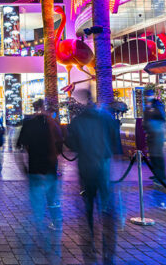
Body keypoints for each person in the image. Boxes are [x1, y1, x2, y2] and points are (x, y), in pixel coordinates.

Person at [65, 90, 121, 265]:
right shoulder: (106, 117)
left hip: (86, 166)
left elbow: (71, 143)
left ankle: (90, 241)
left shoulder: (77, 121)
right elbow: (115, 140)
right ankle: (108, 250)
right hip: (103, 165)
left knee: (88, 204)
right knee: (106, 205)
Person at [16, 99, 63, 260]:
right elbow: (61, 145)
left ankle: (40, 228)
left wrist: (22, 166)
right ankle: (55, 225)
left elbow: (20, 147)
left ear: (34, 108)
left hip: (35, 167)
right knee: (52, 198)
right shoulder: (53, 123)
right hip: (50, 167)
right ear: (43, 108)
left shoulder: (29, 124)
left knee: (37, 202)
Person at [143, 89, 166, 183]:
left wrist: (152, 123)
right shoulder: (148, 106)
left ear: (152, 95)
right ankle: (156, 174)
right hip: (150, 134)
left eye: (149, 95)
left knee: (157, 155)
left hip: (157, 134)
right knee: (152, 155)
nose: (148, 97)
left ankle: (161, 176)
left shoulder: (157, 105)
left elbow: (162, 118)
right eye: (146, 95)